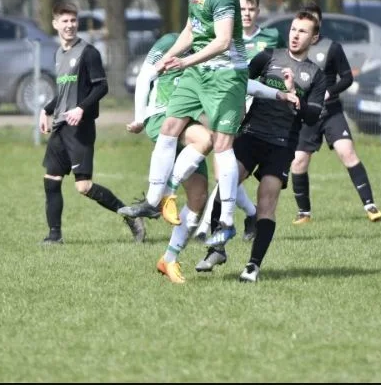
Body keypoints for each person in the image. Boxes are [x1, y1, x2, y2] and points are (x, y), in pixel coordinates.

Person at [122, 32, 300, 283]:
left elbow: (239, 82)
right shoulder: (171, 41)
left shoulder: (216, 51)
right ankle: (163, 196)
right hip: (162, 116)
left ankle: (168, 259)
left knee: (198, 198)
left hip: (188, 123)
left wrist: (277, 94)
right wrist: (139, 117)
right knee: (206, 139)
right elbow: (144, 76)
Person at [119, 0, 249, 250]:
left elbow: (223, 41)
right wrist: (167, 58)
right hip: (198, 73)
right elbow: (190, 31)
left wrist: (185, 61)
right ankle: (153, 200)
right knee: (169, 127)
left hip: (225, 76)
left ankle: (226, 220)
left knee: (221, 145)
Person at [194, 10, 327, 282]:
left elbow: (313, 116)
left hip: (282, 144)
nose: (295, 35)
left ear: (314, 38)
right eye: (293, 29)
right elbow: (241, 82)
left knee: (267, 202)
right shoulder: (268, 57)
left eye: (303, 31)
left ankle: (253, 266)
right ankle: (216, 249)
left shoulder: (315, 74)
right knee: (226, 183)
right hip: (251, 135)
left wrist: (295, 94)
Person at [39, 2, 145, 244]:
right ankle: (54, 236)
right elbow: (64, 92)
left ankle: (130, 215)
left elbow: (101, 87)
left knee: (84, 187)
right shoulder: (58, 54)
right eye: (64, 21)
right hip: (60, 127)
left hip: (80, 129)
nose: (69, 25)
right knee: (51, 180)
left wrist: (81, 109)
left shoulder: (88, 53)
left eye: (73, 20)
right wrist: (46, 110)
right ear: (55, 24)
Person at [197, 0, 288, 243]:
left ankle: (206, 226)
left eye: (251, 9)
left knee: (229, 172)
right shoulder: (226, 37)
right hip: (229, 107)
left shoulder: (271, 37)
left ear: (258, 11)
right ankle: (250, 214)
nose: (246, 13)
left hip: (258, 112)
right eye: (242, 9)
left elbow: (284, 66)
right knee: (225, 173)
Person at [291, 2, 381, 224]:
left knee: (347, 152)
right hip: (307, 116)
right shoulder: (292, 51)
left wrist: (329, 92)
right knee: (298, 161)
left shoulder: (331, 48)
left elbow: (347, 77)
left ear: (319, 24)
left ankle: (370, 205)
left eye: (313, 19)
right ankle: (304, 213)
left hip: (331, 112)